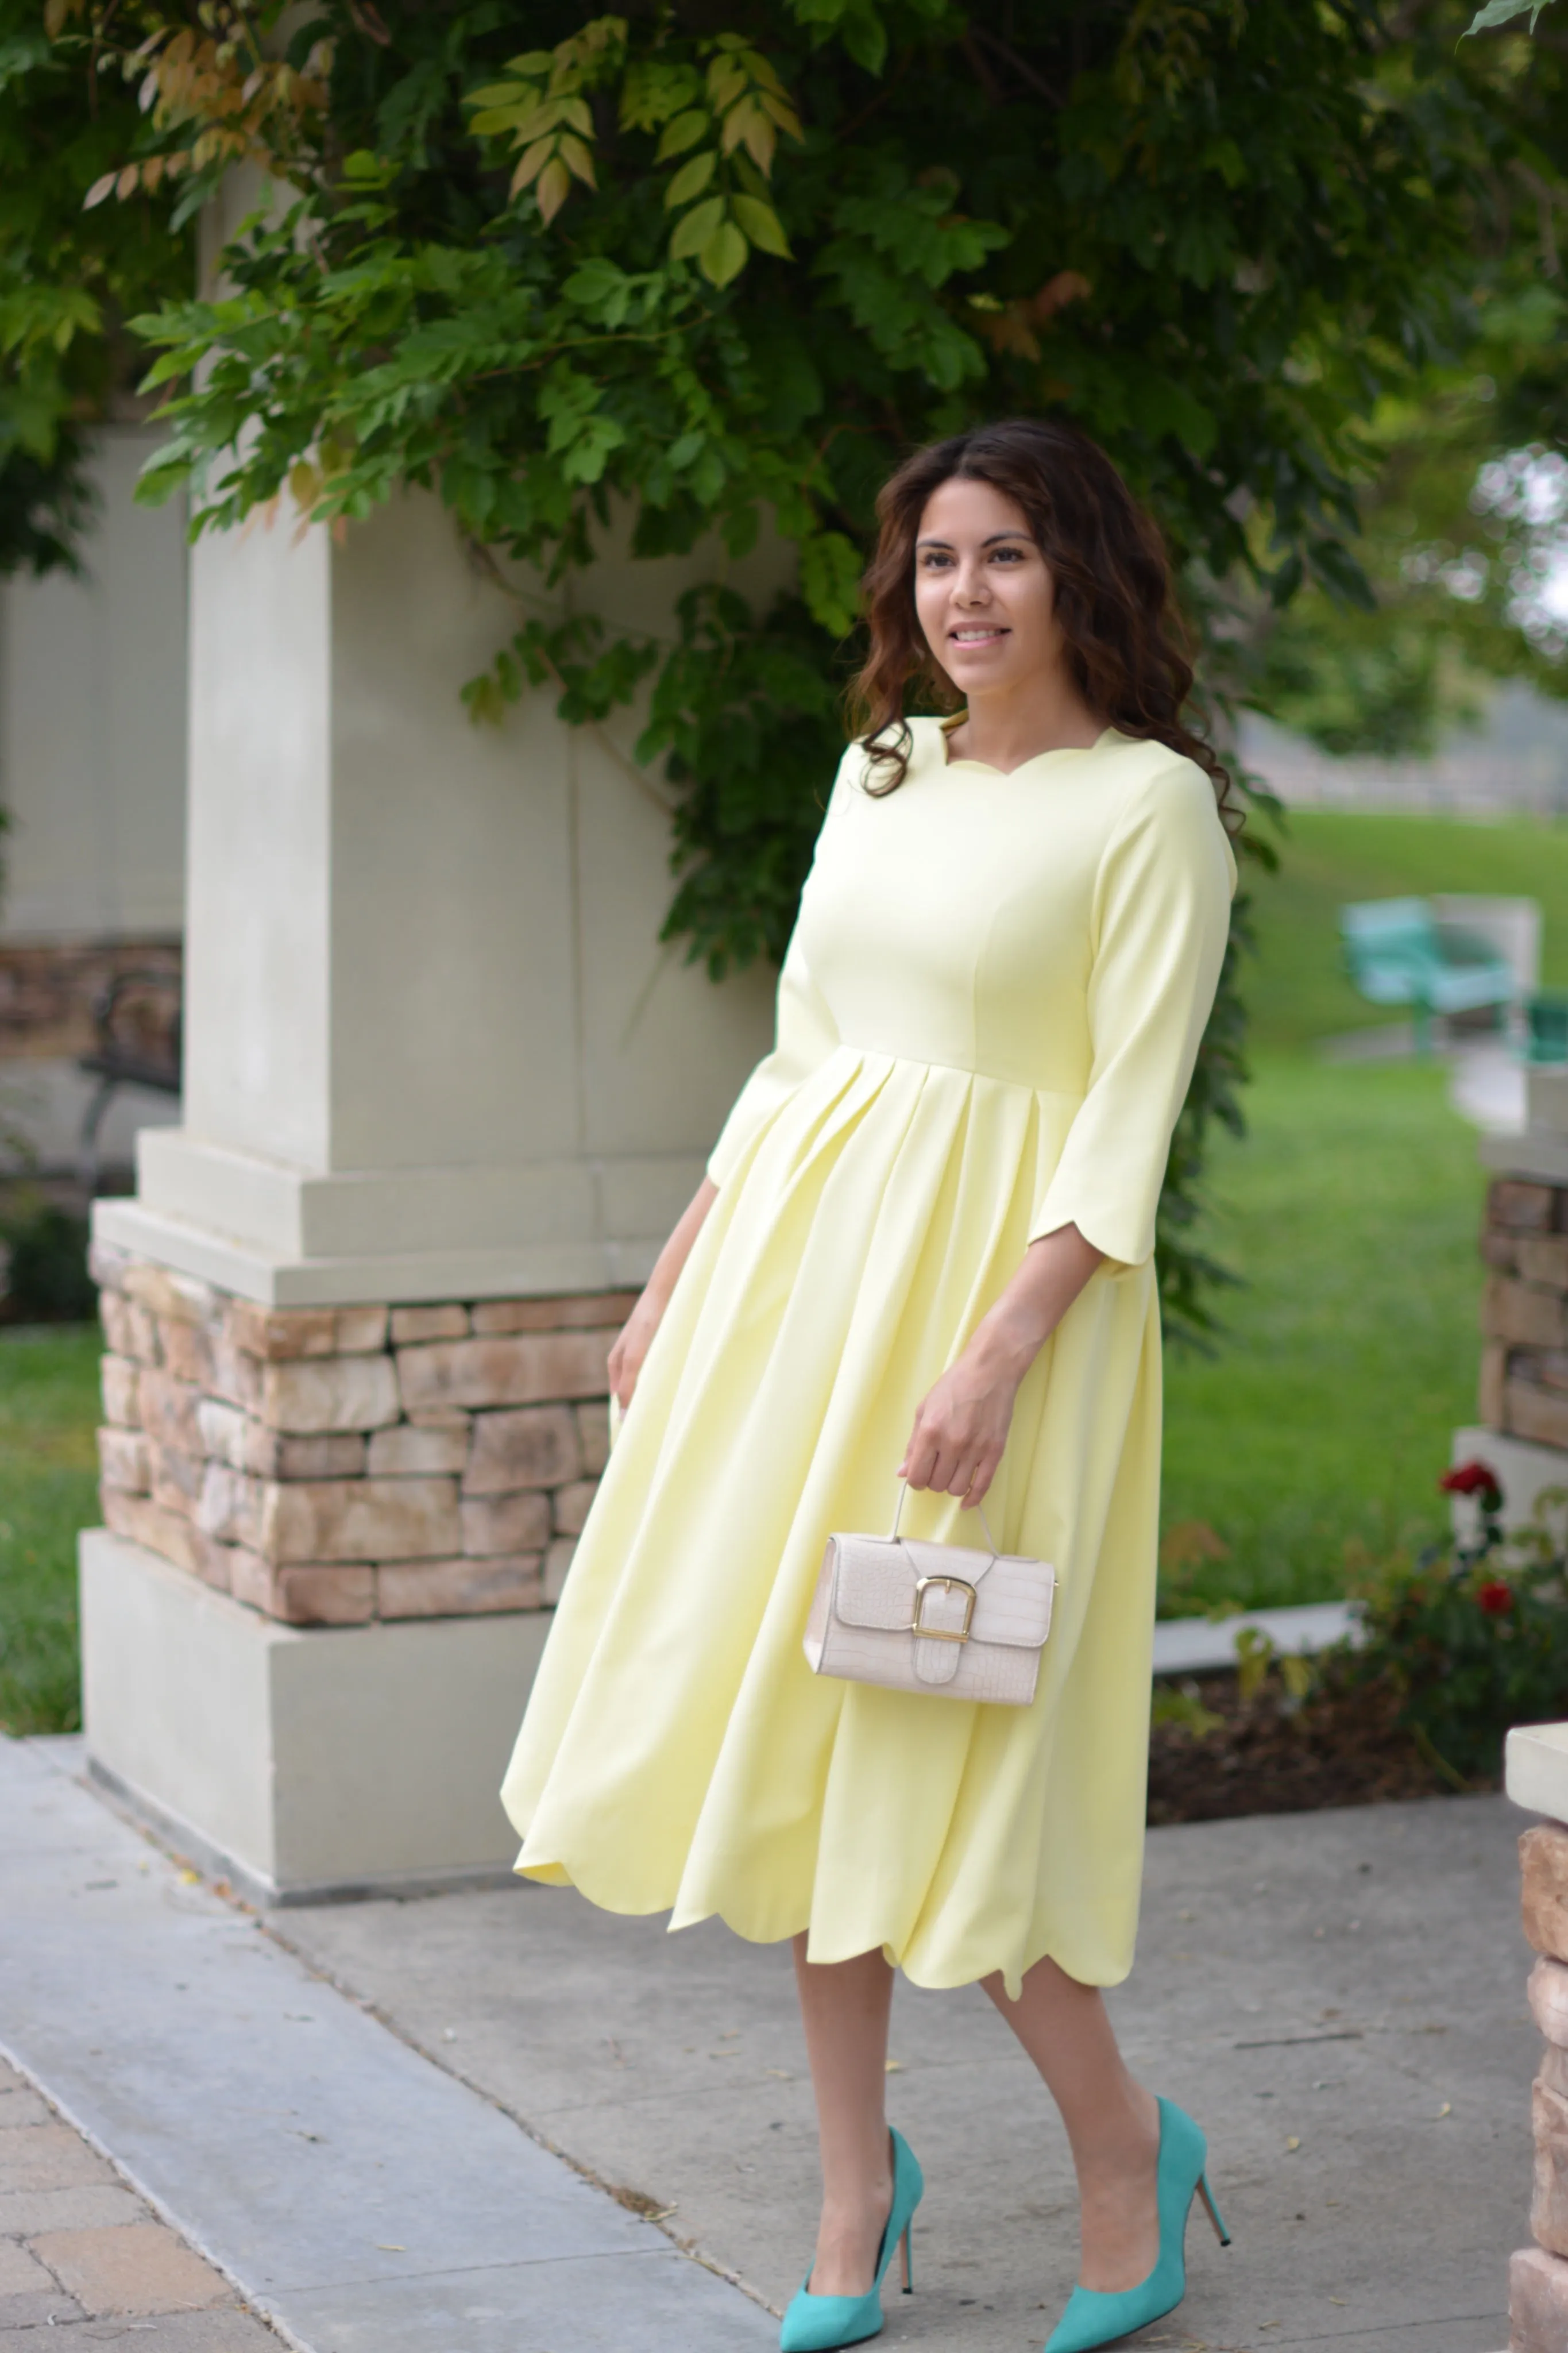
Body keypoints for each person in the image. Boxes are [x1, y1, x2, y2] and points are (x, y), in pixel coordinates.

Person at [500, 416, 1238, 2353]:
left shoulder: (1147, 808)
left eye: (1002, 554)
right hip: (804, 1292)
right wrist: (677, 1284)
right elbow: (796, 1056)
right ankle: (850, 2203)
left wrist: (1001, 1351)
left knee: (949, 1748)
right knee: (818, 1741)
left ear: (1079, 569)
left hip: (1008, 1316)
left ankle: (1124, 2158)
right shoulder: (882, 769)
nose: (965, 595)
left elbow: (1128, 1120)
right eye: (934, 561)